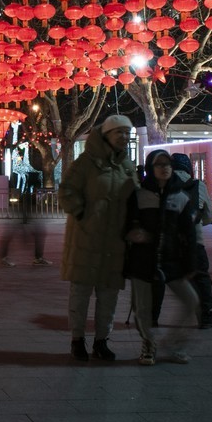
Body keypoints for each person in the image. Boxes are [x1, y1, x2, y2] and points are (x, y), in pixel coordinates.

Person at [58, 114, 137, 362]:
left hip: (116, 242)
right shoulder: (85, 163)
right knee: (80, 294)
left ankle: (102, 341)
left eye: (127, 133)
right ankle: (77, 340)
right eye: (119, 133)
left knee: (109, 295)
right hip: (86, 240)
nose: (124, 138)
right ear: (106, 135)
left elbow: (135, 196)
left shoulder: (127, 165)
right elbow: (67, 191)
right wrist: (82, 213)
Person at [123, 149, 201, 365]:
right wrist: (133, 233)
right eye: (160, 164)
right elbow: (126, 224)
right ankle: (148, 344)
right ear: (151, 168)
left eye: (168, 164)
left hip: (171, 260)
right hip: (142, 260)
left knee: (191, 301)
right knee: (141, 308)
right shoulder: (139, 195)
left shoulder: (181, 196)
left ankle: (176, 345)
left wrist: (191, 262)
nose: (165, 168)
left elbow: (190, 233)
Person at [154, 153, 212, 329]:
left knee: (159, 279)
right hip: (194, 241)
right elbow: (210, 215)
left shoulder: (162, 185)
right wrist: (196, 223)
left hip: (167, 243)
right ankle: (205, 316)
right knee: (201, 277)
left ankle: (153, 316)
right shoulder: (198, 185)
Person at [0, 188, 50, 267]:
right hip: (21, 210)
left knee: (37, 232)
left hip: (23, 209)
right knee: (10, 233)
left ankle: (38, 258)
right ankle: (3, 258)